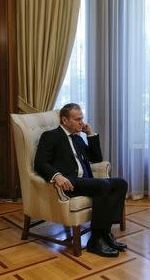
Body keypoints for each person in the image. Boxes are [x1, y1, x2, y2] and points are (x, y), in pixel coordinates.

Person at [34, 103, 128, 257]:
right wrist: (57, 176)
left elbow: (96, 158)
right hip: (69, 182)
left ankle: (105, 234)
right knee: (103, 185)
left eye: (82, 118)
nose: (81, 122)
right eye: (77, 119)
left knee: (120, 184)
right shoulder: (51, 136)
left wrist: (90, 133)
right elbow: (40, 163)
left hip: (84, 181)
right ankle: (96, 241)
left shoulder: (77, 138)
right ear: (65, 120)